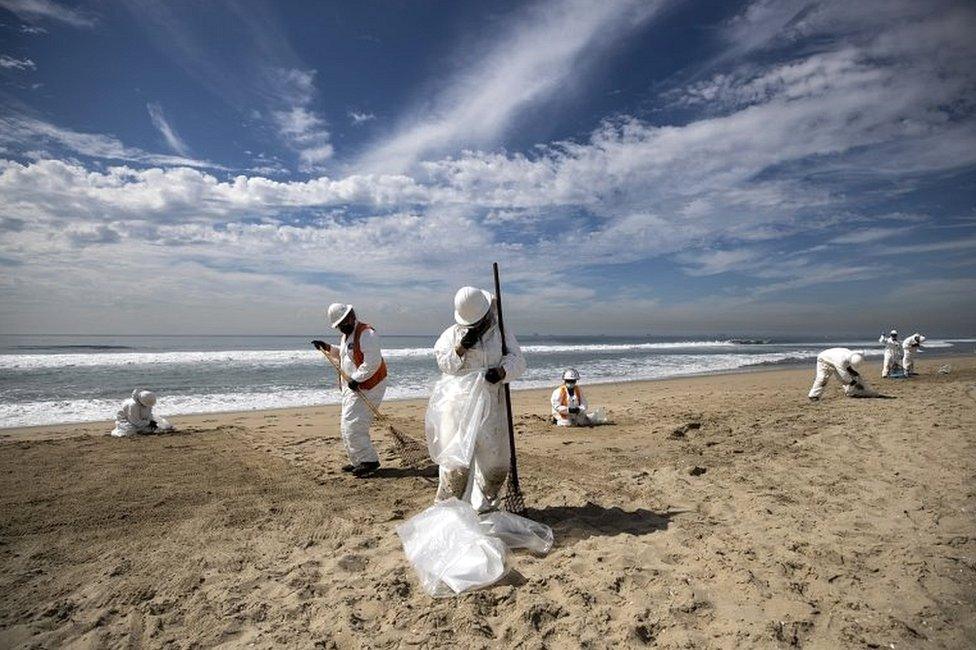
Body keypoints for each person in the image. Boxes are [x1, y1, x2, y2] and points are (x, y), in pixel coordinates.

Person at [432, 286, 525, 512]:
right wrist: (462, 347)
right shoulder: (451, 335)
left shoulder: (501, 332)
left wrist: (503, 372)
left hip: (491, 403)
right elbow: (444, 364)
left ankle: (485, 506)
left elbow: (518, 360)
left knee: (496, 464)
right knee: (455, 465)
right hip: (458, 405)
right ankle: (449, 511)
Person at [312, 303, 388, 477]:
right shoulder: (347, 335)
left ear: (351, 316)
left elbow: (372, 362)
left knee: (354, 424)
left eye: (343, 323)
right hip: (352, 387)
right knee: (346, 424)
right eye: (339, 325)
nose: (341, 327)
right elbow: (344, 354)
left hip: (370, 385)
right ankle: (358, 460)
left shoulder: (367, 334)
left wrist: (357, 378)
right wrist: (327, 347)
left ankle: (369, 461)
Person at [808, 348, 878, 400]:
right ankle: (814, 395)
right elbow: (843, 374)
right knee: (822, 378)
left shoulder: (851, 355)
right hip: (824, 360)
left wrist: (853, 373)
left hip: (834, 358)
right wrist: (855, 383)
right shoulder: (840, 361)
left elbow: (848, 367)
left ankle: (851, 392)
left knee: (852, 375)